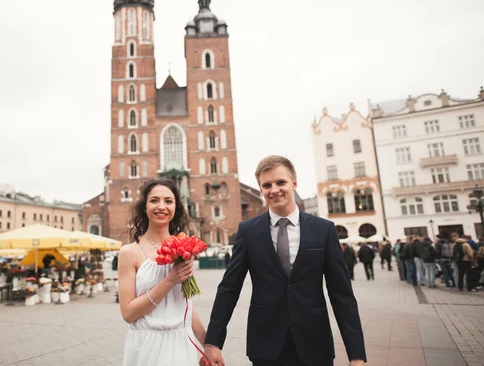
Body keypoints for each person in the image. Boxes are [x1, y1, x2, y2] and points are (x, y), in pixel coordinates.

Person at [204, 156, 366, 366]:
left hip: (315, 343)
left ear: (294, 183)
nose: (274, 190)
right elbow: (229, 288)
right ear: (260, 189)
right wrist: (213, 342)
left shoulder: (323, 230)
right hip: (266, 345)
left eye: (281, 182)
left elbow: (342, 294)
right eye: (267, 185)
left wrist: (357, 355)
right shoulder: (248, 231)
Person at [118, 179, 208, 366]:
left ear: (176, 207)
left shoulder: (184, 248)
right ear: (144, 206)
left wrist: (209, 346)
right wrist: (169, 281)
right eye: (154, 200)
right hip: (147, 345)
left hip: (181, 342)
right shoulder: (129, 252)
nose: (161, 206)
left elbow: (185, 306)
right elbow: (128, 313)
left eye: (168, 201)